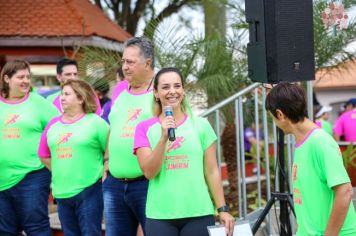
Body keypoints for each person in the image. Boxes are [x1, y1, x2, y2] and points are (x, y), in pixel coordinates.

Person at [133, 67, 234, 236]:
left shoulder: (201, 125)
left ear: (183, 91)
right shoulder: (144, 128)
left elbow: (212, 171)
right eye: (165, 87)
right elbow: (149, 172)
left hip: (199, 213)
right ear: (156, 93)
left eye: (177, 86)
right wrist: (163, 138)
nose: (172, 91)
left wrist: (222, 209)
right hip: (160, 215)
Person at [266, 82, 356, 236]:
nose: (274, 123)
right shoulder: (304, 143)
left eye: (272, 117)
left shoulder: (320, 142)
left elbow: (345, 191)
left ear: (280, 115)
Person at [38, 79, 109, 235]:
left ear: (81, 98)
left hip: (89, 190)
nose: (62, 98)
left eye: (67, 94)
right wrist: (60, 169)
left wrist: (105, 168)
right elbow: (43, 154)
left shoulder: (96, 123)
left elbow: (110, 149)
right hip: (62, 192)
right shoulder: (53, 125)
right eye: (62, 94)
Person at [103, 37, 155, 236]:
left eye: (130, 62)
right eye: (123, 61)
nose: (124, 67)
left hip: (147, 184)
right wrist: (107, 161)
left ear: (147, 63)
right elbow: (114, 126)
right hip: (115, 184)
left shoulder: (159, 91)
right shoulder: (120, 90)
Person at [0, 60, 58, 235]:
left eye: (28, 76)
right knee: (5, 231)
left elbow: (60, 127)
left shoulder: (38, 102)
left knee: (36, 227)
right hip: (2, 179)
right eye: (20, 77)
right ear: (7, 78)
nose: (26, 80)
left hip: (32, 176)